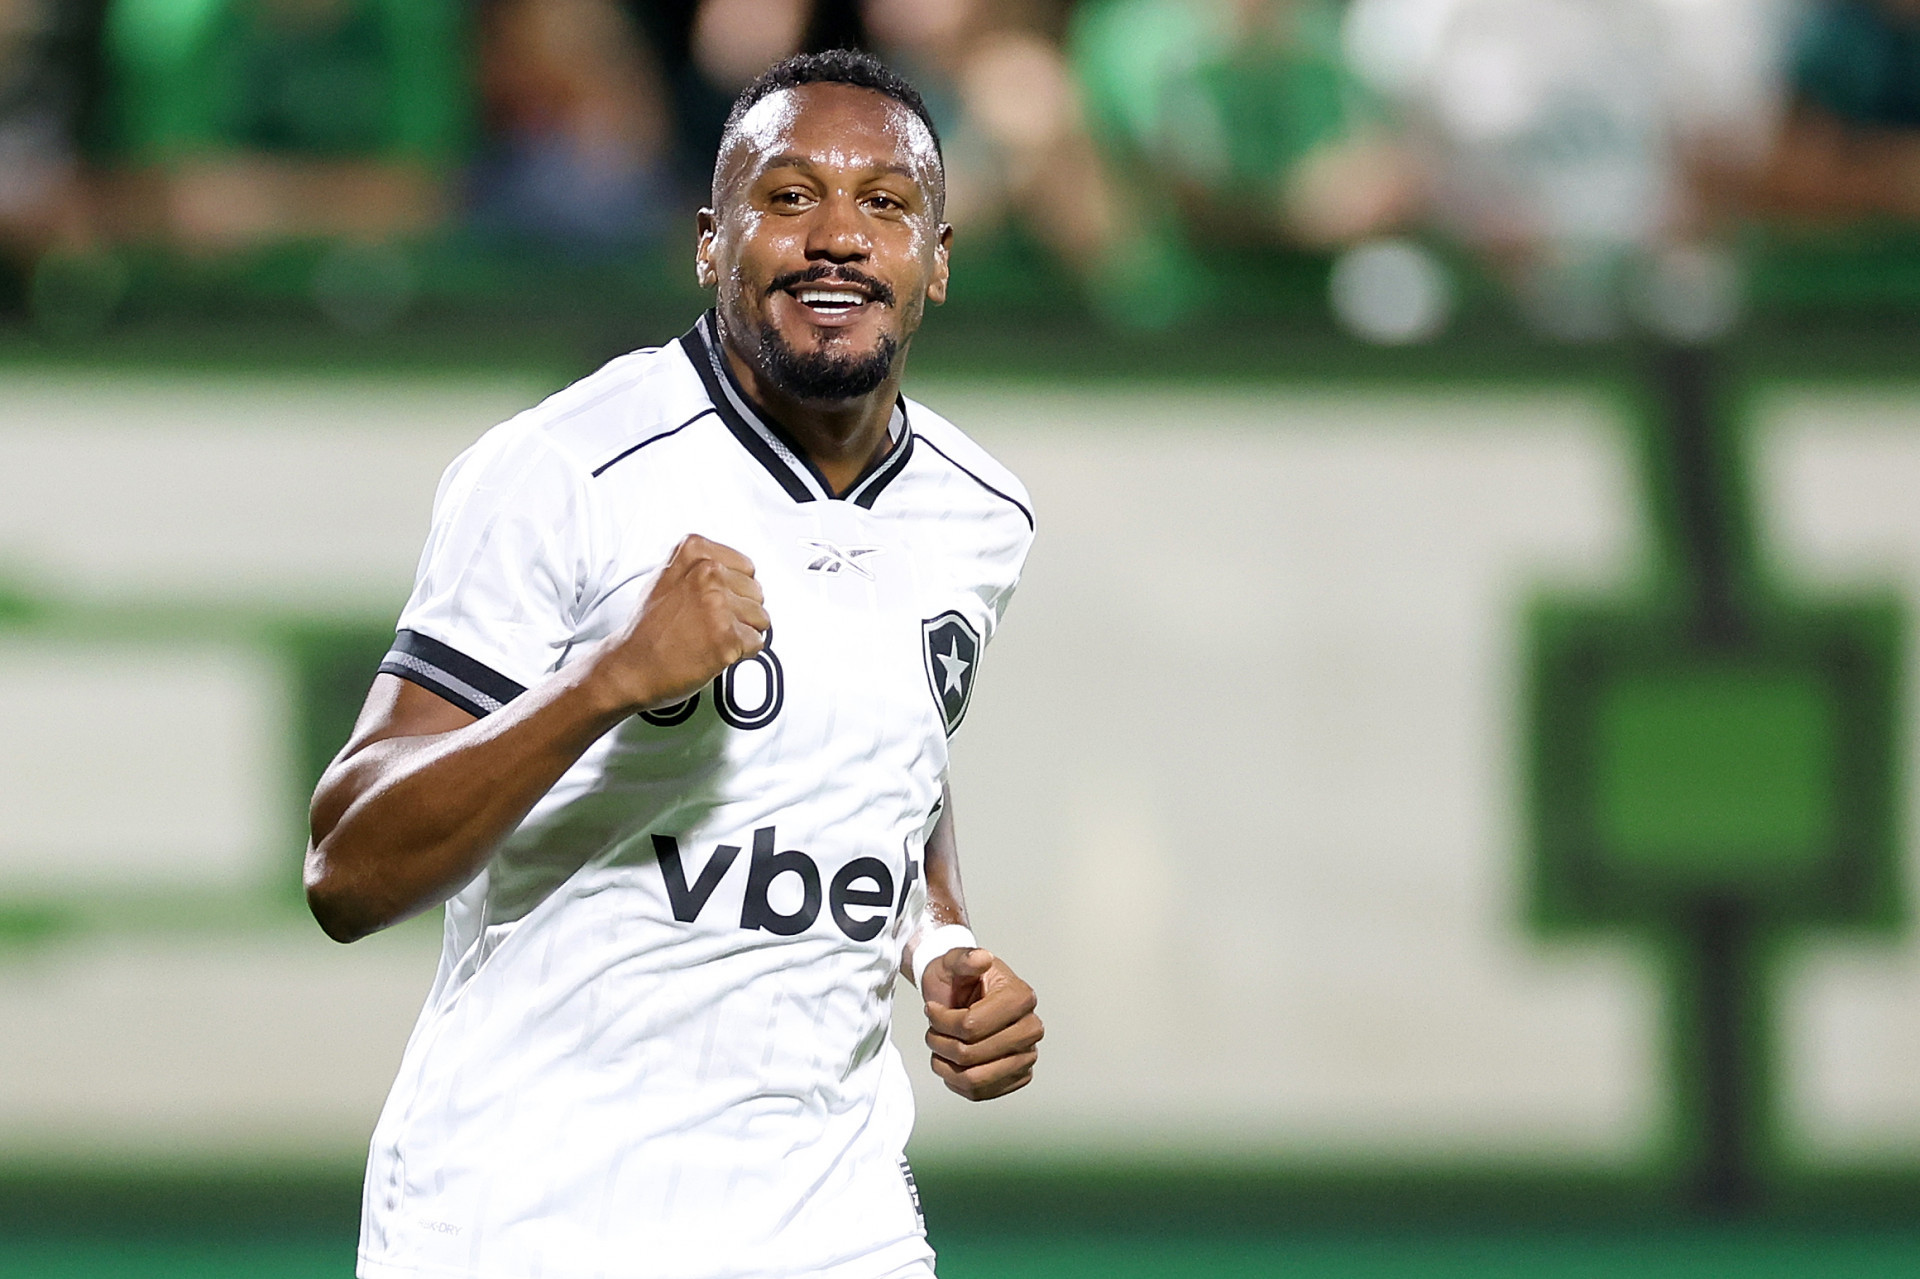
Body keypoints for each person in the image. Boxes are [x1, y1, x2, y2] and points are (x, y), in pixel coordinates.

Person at [303, 48, 1043, 1279]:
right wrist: (604, 681)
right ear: (712, 239)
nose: (839, 238)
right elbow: (347, 866)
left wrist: (944, 941)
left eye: (886, 204)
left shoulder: (982, 511)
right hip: (529, 1214)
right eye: (791, 196)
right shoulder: (562, 469)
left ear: (941, 258)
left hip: (828, 1214)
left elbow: (896, 745)